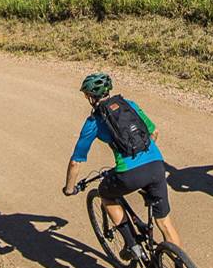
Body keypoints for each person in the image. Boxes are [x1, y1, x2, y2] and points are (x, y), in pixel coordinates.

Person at [62, 72, 182, 249]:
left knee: (105, 194)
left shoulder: (93, 122)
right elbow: (154, 132)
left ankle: (132, 244)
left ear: (89, 96)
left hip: (128, 173)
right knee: (165, 223)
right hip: (156, 165)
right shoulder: (130, 105)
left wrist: (69, 189)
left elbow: (76, 162)